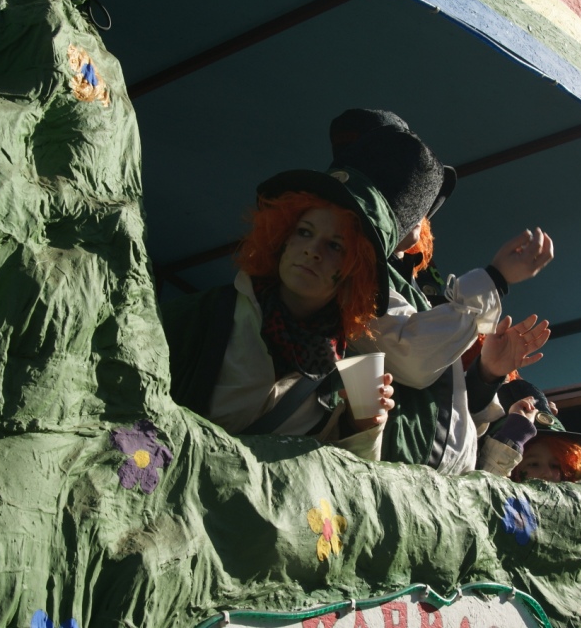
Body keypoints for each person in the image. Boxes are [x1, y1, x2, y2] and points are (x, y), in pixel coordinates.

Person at [328, 110, 554, 474]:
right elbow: (412, 359)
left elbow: (443, 406)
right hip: (394, 477)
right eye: (414, 198)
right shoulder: (351, 270)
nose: (424, 216)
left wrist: (486, 374)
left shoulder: (407, 284)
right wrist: (495, 278)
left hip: (432, 484)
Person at [161, 157, 414, 460]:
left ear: (354, 272)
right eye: (304, 232)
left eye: (335, 246)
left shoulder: (341, 378)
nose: (312, 250)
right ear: (282, 238)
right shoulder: (204, 314)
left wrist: (361, 426)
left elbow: (340, 476)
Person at [479, 380, 581, 500]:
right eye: (533, 464)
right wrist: (513, 435)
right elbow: (490, 477)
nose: (547, 473)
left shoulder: (569, 491)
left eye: (556, 465)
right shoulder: (490, 491)